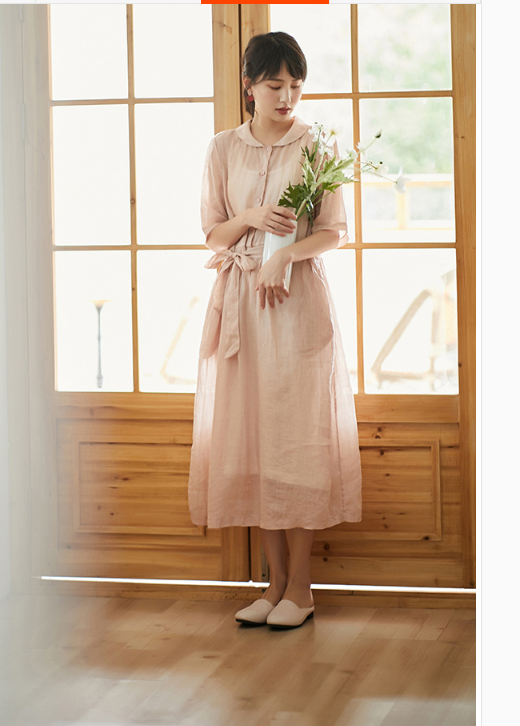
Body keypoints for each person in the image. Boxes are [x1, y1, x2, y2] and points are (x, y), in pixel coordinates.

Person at [187, 32, 362, 629]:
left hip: (296, 304)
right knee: (254, 439)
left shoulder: (317, 145)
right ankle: (274, 584)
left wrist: (285, 255)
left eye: (295, 85)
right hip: (239, 302)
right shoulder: (222, 148)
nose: (287, 97)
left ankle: (302, 590)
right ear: (249, 87)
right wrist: (252, 218)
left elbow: (334, 230)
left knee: (297, 441)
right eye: (274, 85)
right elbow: (213, 234)